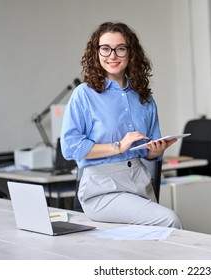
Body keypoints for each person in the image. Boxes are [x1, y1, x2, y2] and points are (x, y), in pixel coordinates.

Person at [61, 22, 182, 229]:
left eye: (120, 48)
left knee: (150, 243)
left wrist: (155, 151)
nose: (112, 55)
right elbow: (70, 147)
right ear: (96, 52)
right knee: (169, 220)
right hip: (102, 188)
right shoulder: (84, 93)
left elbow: (148, 152)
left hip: (139, 181)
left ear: (130, 53)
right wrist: (118, 146)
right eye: (105, 48)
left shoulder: (144, 97)